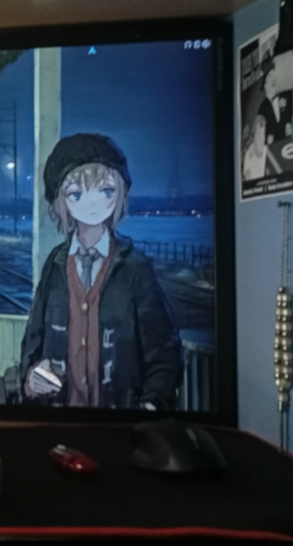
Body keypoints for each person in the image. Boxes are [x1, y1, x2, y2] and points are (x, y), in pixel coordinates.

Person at [18, 133, 182, 410]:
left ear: (120, 194)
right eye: (76, 194)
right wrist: (32, 379)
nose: (92, 204)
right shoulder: (55, 266)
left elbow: (164, 354)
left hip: (121, 426)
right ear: (61, 201)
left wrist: (149, 407)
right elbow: (32, 343)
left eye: (106, 191)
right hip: (58, 421)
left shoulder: (135, 268)